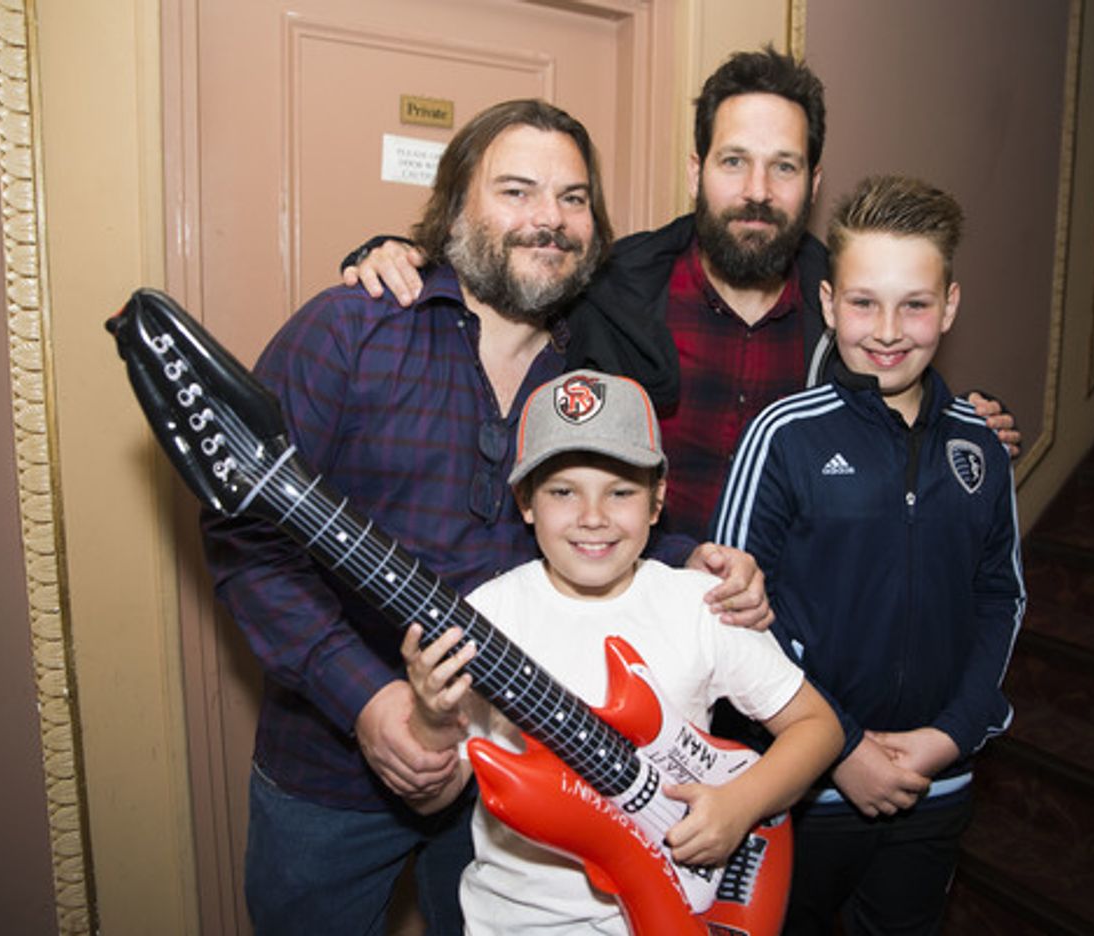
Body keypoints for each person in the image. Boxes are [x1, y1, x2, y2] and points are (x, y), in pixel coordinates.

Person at [200, 98, 770, 936]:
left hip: (518, 785)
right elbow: (247, 537)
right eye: (516, 190)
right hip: (329, 775)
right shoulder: (351, 328)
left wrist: (698, 561)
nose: (550, 219)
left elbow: (595, 528)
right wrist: (368, 704)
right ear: (454, 205)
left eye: (574, 197)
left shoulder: (592, 368)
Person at [342, 47, 1021, 539]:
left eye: (783, 167)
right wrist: (398, 254)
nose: (757, 191)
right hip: (636, 641)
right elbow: (508, 269)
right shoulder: (609, 285)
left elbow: (904, 394)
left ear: (814, 184)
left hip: (796, 650)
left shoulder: (850, 311)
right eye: (734, 162)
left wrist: (959, 421)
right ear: (696, 171)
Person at [399, 368, 845, 934]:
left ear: (658, 500)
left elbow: (819, 726)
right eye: (563, 491)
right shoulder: (485, 619)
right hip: (517, 922)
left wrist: (741, 805)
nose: (593, 517)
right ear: (525, 501)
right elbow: (431, 803)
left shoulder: (698, 605)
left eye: (621, 492)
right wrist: (433, 721)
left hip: (687, 909)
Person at [710, 175, 1026, 934]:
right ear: (827, 305)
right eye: (863, 302)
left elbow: (1000, 600)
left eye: (915, 304)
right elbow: (731, 617)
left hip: (933, 788)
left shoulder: (979, 445)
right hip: (800, 792)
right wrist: (840, 745)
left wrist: (950, 736)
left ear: (949, 305)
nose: (888, 329)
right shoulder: (784, 436)